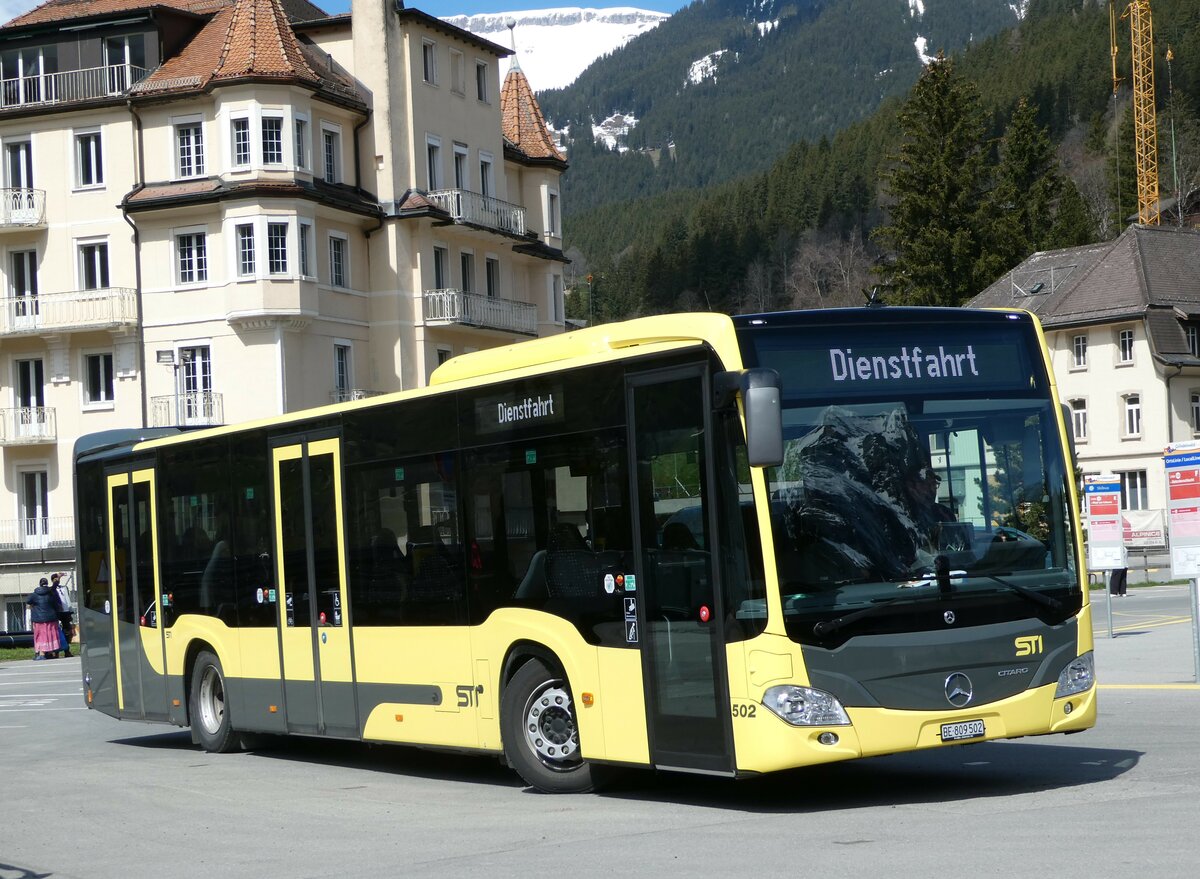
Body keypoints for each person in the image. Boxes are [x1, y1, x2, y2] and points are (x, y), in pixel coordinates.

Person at [903, 462, 955, 536]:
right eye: (926, 484)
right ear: (911, 487)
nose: (932, 489)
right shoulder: (905, 514)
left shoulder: (945, 513)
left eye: (934, 484)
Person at [26, 577, 63, 661]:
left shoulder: (34, 595)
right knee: (50, 635)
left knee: (41, 636)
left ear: (39, 584)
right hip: (51, 618)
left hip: (39, 619)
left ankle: (41, 653)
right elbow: (56, 604)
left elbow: (28, 602)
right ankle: (50, 652)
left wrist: (33, 606)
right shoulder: (51, 593)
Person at [52, 573, 74, 657]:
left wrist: (70, 611)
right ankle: (56, 651)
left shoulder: (63, 588)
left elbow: (67, 599)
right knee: (56, 632)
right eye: (56, 579)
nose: (57, 580)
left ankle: (67, 650)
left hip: (65, 611)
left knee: (67, 631)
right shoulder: (52, 589)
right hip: (57, 612)